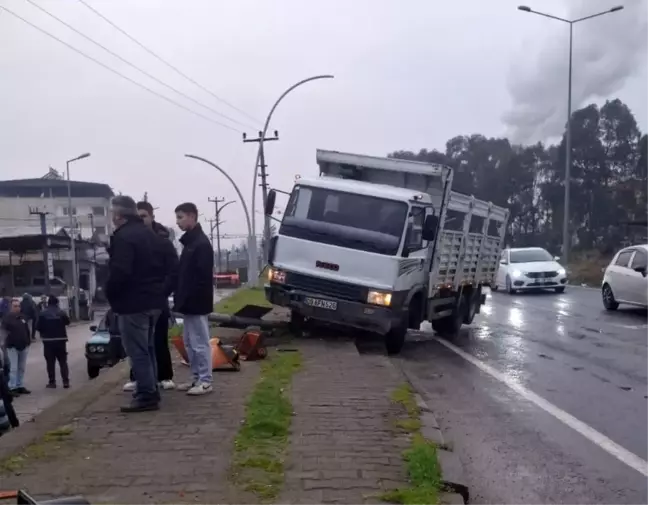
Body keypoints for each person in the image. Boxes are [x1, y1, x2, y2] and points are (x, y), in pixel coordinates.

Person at [106, 195, 168, 413]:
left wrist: (110, 293)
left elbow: (120, 271)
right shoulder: (150, 235)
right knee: (148, 348)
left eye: (112, 213)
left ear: (118, 215)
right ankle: (151, 388)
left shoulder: (123, 237)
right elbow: (167, 265)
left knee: (138, 351)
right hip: (154, 301)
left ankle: (146, 395)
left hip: (133, 303)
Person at [121, 201, 178, 392]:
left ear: (152, 217)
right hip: (135, 300)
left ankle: (164, 375)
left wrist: (163, 290)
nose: (141, 220)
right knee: (138, 343)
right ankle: (139, 378)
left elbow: (173, 271)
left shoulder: (162, 241)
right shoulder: (130, 240)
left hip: (156, 298)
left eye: (144, 216)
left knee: (158, 338)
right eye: (138, 216)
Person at [173, 202, 214, 395]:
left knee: (199, 342)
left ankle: (205, 380)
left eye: (181, 217)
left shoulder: (200, 244)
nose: (178, 222)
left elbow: (201, 278)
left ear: (192, 216)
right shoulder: (191, 243)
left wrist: (188, 297)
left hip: (197, 302)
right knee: (189, 342)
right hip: (189, 302)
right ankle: (197, 378)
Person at [36, 295, 70, 389]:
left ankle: (52, 382)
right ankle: (65, 381)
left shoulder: (43, 313)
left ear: (48, 303)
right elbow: (68, 322)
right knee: (63, 362)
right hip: (61, 340)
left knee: (50, 363)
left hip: (48, 341)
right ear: (57, 303)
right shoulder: (61, 312)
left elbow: (38, 327)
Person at [1, 299, 31, 396]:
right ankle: (12, 386)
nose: (17, 308)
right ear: (11, 307)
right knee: (13, 368)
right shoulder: (7, 319)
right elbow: (3, 333)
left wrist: (28, 341)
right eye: (15, 306)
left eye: (18, 306)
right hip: (12, 346)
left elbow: (27, 330)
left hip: (23, 346)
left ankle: (19, 385)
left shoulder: (23, 317)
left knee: (21, 367)